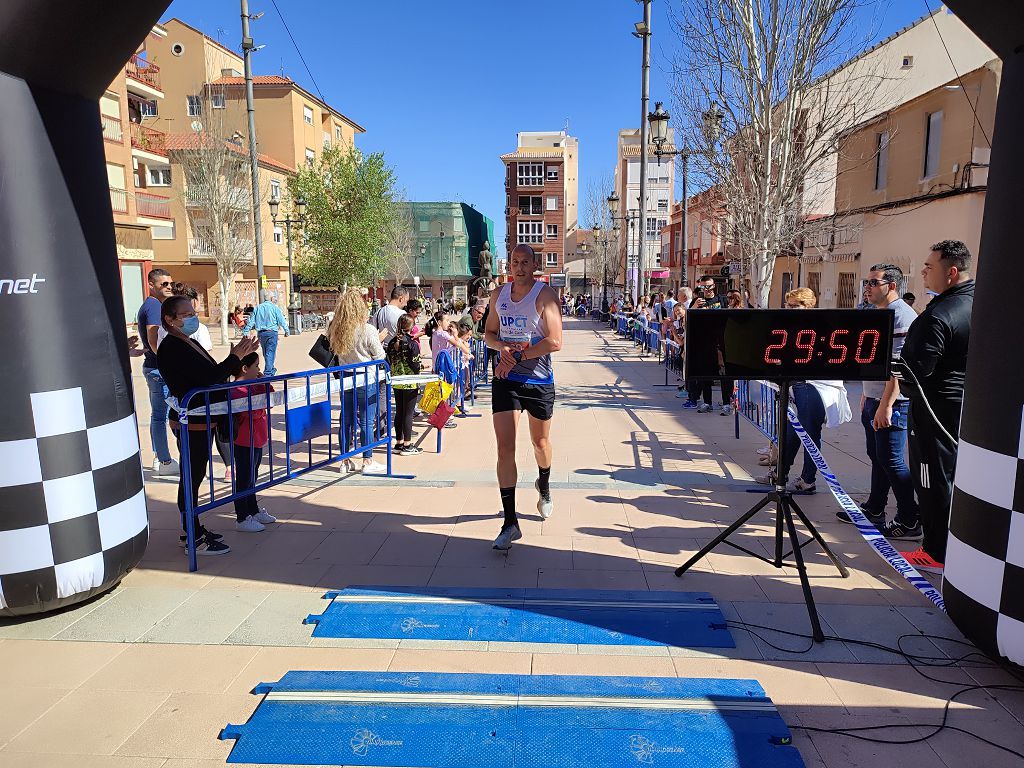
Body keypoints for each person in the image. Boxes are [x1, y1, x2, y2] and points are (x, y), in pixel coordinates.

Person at [158, 295, 259, 555]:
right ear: (170, 319)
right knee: (191, 476)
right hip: (191, 421)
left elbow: (213, 373)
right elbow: (210, 376)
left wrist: (238, 356)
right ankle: (191, 534)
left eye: (193, 311)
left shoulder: (187, 342)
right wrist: (236, 356)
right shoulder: (171, 347)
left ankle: (193, 528)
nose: (192, 317)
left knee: (197, 474)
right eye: (186, 314)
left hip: (204, 419)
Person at [897, 240, 975, 574]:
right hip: (965, 409)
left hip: (934, 412)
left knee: (931, 479)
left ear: (951, 271)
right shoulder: (979, 302)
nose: (924, 272)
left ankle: (934, 551)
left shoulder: (939, 315)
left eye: (930, 266)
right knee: (954, 478)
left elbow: (914, 373)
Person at [485, 244, 563, 550]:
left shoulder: (545, 296)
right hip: (506, 378)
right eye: (514, 262)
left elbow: (555, 341)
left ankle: (544, 484)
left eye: (524, 262)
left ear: (534, 266)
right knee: (505, 447)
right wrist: (501, 348)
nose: (518, 267)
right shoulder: (498, 296)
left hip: (539, 380)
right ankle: (509, 522)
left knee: (539, 443)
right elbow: (489, 333)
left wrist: (521, 355)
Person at [836, 265, 921, 539]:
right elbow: (874, 360)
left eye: (873, 282)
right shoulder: (877, 313)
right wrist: (867, 393)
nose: (867, 287)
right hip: (874, 398)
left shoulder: (901, 317)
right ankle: (874, 509)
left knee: (892, 460)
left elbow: (898, 367)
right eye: (866, 282)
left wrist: (885, 404)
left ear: (892, 285)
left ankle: (910, 520)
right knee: (878, 458)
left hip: (892, 403)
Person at [757, 287, 852, 494]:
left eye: (794, 305)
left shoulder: (821, 325)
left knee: (810, 434)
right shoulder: (789, 325)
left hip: (815, 386)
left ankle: (808, 479)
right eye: (788, 305)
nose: (789, 309)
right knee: (790, 434)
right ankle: (780, 474)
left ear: (808, 305)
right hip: (795, 385)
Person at [329, 288, 387, 475]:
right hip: (365, 377)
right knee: (366, 421)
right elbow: (379, 355)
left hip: (345, 377)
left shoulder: (335, 329)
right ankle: (367, 460)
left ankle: (344, 460)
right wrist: (378, 339)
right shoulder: (367, 329)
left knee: (345, 420)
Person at [137, 268, 179, 476]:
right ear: (151, 285)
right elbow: (154, 341)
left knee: (158, 415)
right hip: (158, 369)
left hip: (154, 367)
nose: (169, 287)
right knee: (161, 416)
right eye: (164, 284)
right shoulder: (153, 307)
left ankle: (159, 457)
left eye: (170, 283)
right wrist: (169, 363)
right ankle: (164, 460)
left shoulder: (153, 305)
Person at [230, 352, 278, 532]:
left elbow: (270, 400)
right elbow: (248, 412)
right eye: (256, 366)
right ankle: (242, 516)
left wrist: (265, 383)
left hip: (257, 439)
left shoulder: (253, 385)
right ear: (245, 368)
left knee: (252, 477)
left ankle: (253, 509)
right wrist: (261, 406)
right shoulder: (236, 389)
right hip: (244, 440)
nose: (259, 370)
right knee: (244, 478)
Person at [688, 276, 733, 414]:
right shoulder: (696, 302)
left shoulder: (722, 300)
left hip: (722, 342)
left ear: (714, 286)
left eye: (709, 286)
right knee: (705, 374)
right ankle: (707, 402)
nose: (706, 290)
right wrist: (694, 308)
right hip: (704, 343)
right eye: (703, 287)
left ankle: (726, 403)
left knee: (725, 374)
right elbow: (689, 321)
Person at [387, 314, 423, 455]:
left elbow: (389, 360)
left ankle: (399, 443)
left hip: (396, 381)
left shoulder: (391, 343)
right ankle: (408, 445)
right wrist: (420, 367)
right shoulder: (412, 343)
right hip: (409, 381)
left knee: (400, 412)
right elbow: (415, 364)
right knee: (408, 413)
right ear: (411, 327)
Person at [242, 292, 289, 376]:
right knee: (270, 352)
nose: (275, 299)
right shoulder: (275, 308)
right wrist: (286, 331)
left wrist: (246, 331)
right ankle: (268, 373)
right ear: (271, 299)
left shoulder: (258, 308)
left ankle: (271, 368)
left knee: (266, 352)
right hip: (272, 333)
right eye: (274, 298)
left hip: (261, 334)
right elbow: (281, 320)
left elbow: (251, 321)